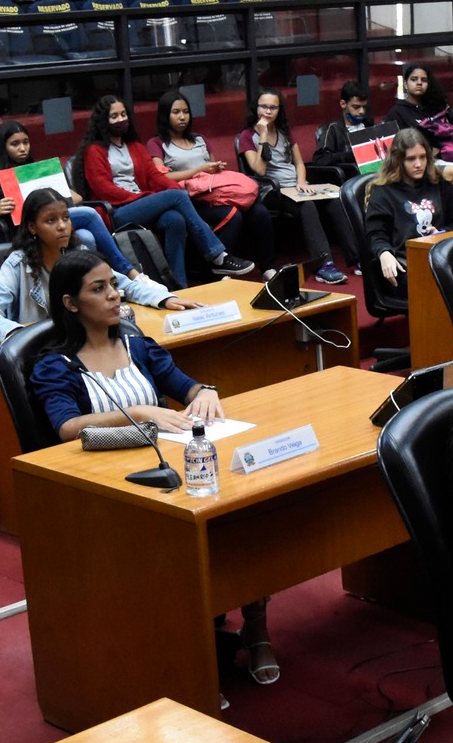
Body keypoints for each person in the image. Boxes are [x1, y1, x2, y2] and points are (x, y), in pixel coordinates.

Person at [26, 250, 279, 683]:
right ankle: (186, 653)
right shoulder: (55, 363)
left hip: (168, 467)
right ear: (71, 303)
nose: (114, 295)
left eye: (113, 284)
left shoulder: (137, 344)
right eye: (99, 288)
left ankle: (256, 629)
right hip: (107, 484)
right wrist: (140, 412)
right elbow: (67, 427)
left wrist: (205, 394)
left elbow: (187, 385)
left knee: (241, 519)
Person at [74, 95, 256, 287]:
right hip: (116, 212)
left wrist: (176, 191)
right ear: (103, 121)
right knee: (176, 196)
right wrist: (146, 197)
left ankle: (179, 287)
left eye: (123, 114)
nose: (121, 120)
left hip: (141, 205)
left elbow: (155, 176)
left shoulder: (134, 146)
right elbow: (104, 189)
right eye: (114, 116)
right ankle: (217, 255)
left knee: (175, 220)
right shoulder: (94, 150)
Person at [0, 188, 197, 339]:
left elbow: (124, 285)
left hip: (83, 342)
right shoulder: (17, 265)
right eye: (51, 221)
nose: (62, 226)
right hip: (42, 350)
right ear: (32, 227)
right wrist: (18, 334)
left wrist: (164, 298)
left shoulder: (79, 253)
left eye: (65, 218)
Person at [0, 119, 139, 274]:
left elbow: (76, 198)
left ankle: (84, 280)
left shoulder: (39, 171)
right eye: (15, 144)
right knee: (89, 214)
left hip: (51, 223)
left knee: (86, 237)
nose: (22, 148)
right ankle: (126, 271)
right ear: (3, 147)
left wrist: (54, 195)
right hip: (22, 230)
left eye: (26, 142)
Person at [237, 88, 350, 286]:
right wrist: (262, 136)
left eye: (273, 107)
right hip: (271, 190)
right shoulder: (247, 136)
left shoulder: (285, 133)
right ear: (256, 109)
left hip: (295, 186)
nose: (268, 112)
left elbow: (299, 164)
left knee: (334, 198)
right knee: (307, 206)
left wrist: (301, 181)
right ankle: (325, 264)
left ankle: (357, 257)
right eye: (263, 107)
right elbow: (259, 170)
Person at [147, 92, 275, 266]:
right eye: (176, 112)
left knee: (260, 212)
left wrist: (216, 167)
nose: (182, 117)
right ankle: (218, 268)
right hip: (190, 200)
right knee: (233, 215)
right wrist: (199, 169)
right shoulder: (156, 143)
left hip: (215, 192)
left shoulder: (200, 139)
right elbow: (162, 177)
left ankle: (268, 269)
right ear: (164, 115)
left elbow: (213, 167)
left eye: (185, 111)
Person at [365, 129, 453, 298]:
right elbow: (376, 234)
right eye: (411, 159)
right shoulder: (383, 192)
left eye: (423, 157)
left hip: (442, 258)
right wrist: (384, 253)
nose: (418, 164)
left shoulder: (440, 185)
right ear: (398, 160)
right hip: (405, 264)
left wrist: (442, 233)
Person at [386, 63, 453, 189]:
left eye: (423, 80)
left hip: (447, 155)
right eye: (414, 79)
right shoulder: (397, 112)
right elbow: (394, 146)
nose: (419, 83)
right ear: (406, 84)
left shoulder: (433, 107)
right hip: (416, 162)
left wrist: (448, 113)